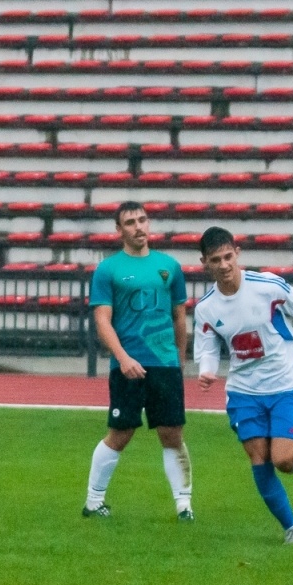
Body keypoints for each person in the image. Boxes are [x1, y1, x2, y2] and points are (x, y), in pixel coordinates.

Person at [194, 227, 293, 543]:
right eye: (216, 259)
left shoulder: (266, 286)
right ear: (205, 262)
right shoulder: (206, 307)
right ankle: (292, 528)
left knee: (283, 461)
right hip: (243, 391)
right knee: (259, 459)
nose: (224, 264)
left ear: (237, 254)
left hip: (285, 383)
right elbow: (206, 345)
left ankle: (291, 448)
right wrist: (207, 370)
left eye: (228, 256)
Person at [83, 201, 194, 521]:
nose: (138, 227)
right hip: (127, 364)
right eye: (130, 222)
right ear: (119, 230)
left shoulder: (170, 266)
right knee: (121, 433)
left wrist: (180, 359)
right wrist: (122, 357)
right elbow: (103, 320)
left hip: (165, 364)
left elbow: (179, 316)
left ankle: (184, 505)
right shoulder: (108, 269)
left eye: (142, 220)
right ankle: (93, 501)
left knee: (172, 433)